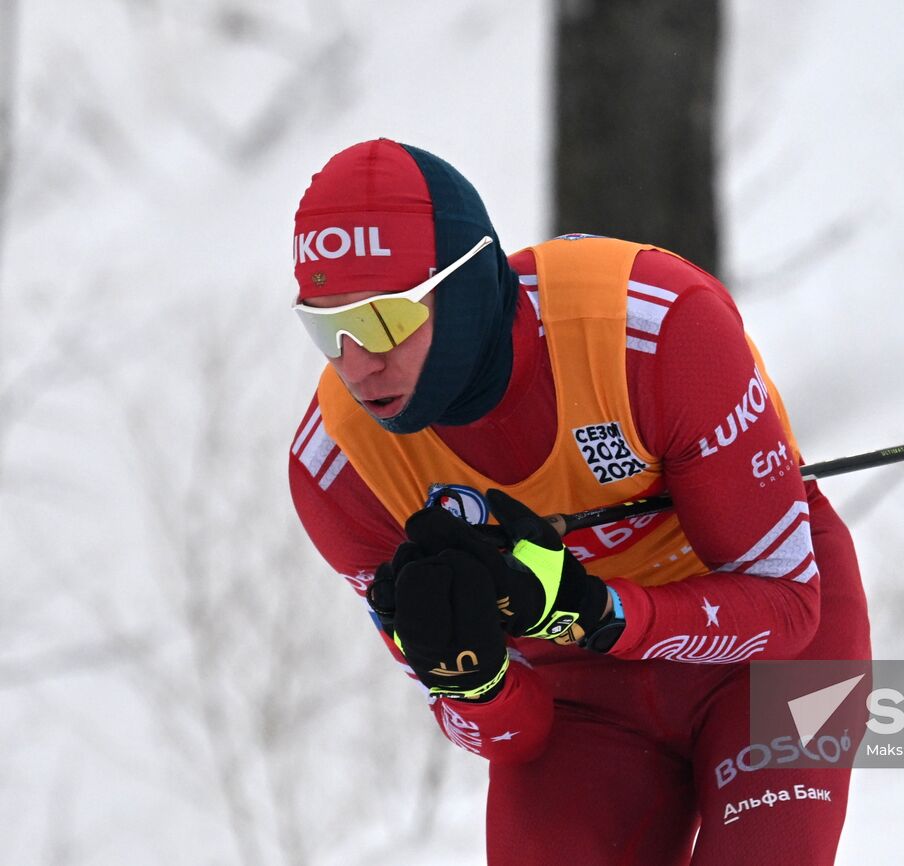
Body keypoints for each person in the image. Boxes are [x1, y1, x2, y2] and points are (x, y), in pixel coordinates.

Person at [287, 138, 871, 865]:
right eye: (326, 327)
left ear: (465, 286)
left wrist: (596, 610)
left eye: (383, 321)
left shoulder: (656, 327)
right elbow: (514, 737)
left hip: (760, 656)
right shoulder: (339, 469)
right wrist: (475, 683)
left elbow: (789, 610)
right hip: (583, 701)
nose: (356, 363)